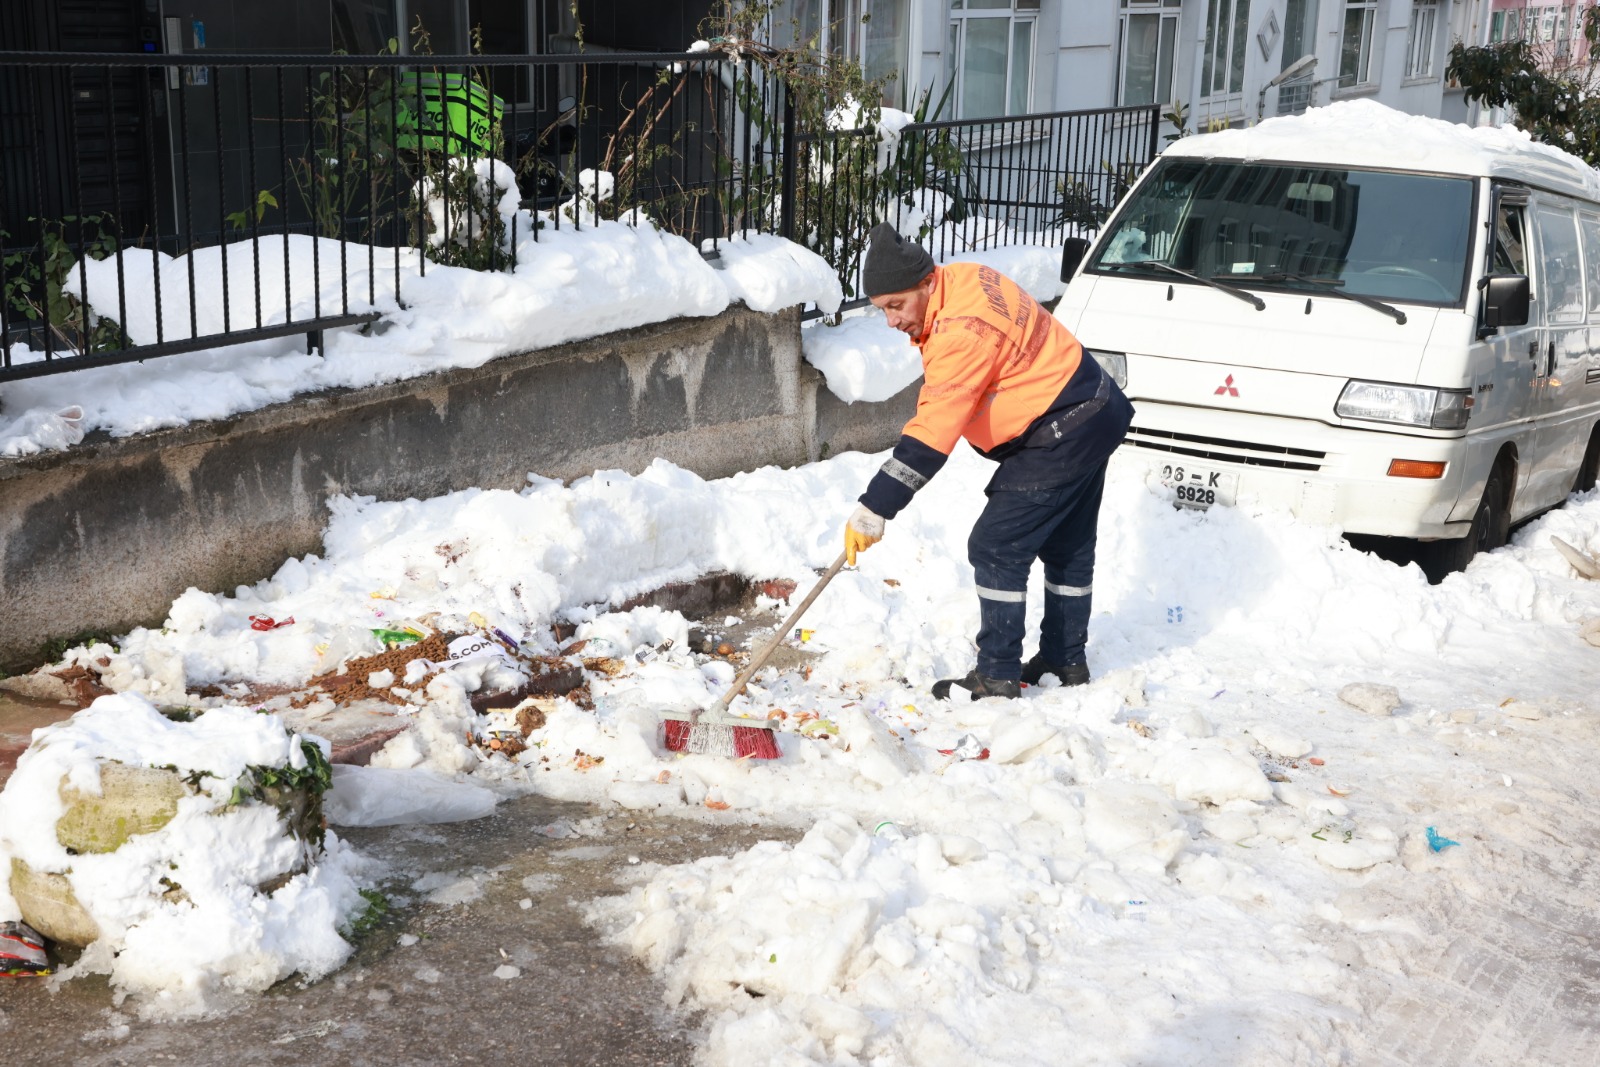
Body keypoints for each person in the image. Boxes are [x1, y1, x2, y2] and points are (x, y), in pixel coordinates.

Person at [843, 223, 1133, 700]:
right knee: (1067, 545)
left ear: (925, 282)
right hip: (1094, 406)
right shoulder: (966, 277)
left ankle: (997, 674)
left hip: (1062, 427)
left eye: (896, 305)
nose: (891, 322)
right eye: (882, 311)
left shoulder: (960, 331)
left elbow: (933, 431)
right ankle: (1064, 661)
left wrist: (875, 507)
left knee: (998, 545)